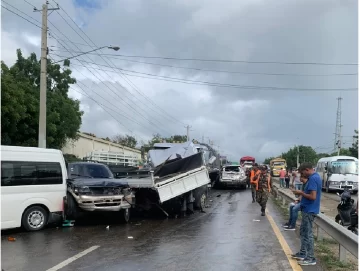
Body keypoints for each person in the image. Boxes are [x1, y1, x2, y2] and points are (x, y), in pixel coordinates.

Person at [291, 162, 322, 266]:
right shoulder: (315, 177)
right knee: (303, 232)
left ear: (307, 170)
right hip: (307, 209)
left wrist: (300, 193)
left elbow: (313, 197)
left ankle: (311, 258)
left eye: (302, 172)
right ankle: (303, 253)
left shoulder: (313, 178)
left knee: (308, 235)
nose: (302, 175)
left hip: (309, 210)